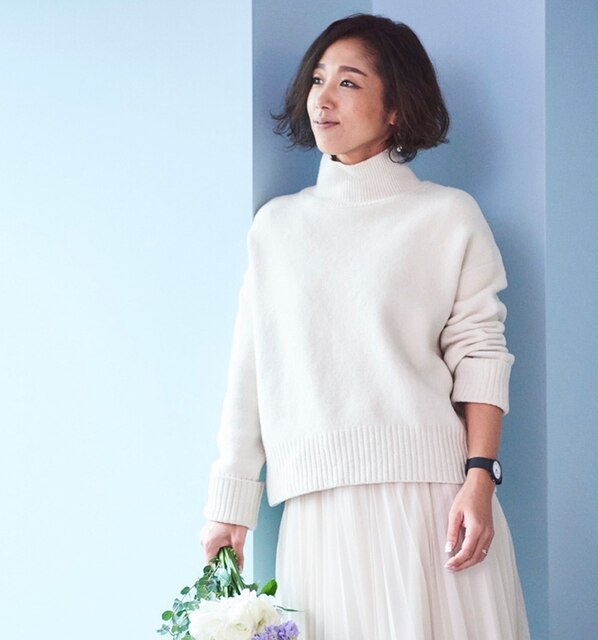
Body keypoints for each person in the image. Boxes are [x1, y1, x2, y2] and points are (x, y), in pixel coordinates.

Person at [199, 12, 530, 640]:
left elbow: (481, 353)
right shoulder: (277, 228)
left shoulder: (448, 216)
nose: (322, 98)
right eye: (317, 79)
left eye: (348, 82)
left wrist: (479, 479)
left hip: (436, 505)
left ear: (395, 108)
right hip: (319, 513)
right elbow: (251, 374)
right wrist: (228, 507)